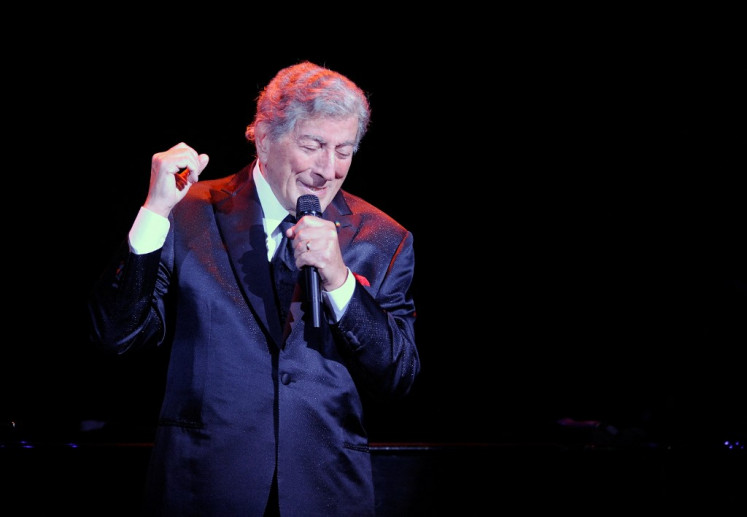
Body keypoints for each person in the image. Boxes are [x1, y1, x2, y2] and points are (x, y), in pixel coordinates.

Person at [87, 60, 420, 516]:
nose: (328, 169)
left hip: (326, 496)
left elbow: (399, 376)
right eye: (313, 145)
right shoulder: (187, 213)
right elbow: (115, 335)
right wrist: (153, 211)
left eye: (344, 150)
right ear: (264, 138)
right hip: (202, 492)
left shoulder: (381, 238)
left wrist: (341, 282)